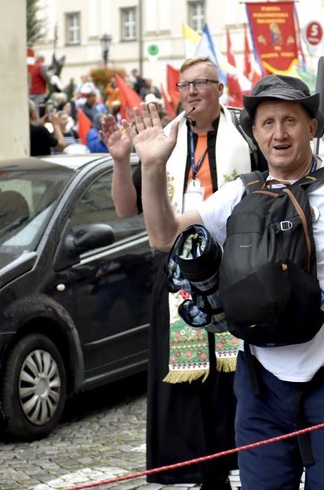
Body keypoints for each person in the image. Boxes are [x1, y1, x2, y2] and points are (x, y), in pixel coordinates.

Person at [124, 74, 324, 490]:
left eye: (290, 121)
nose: (279, 133)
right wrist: (151, 166)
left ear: (312, 128)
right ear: (254, 132)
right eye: (268, 122)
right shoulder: (240, 193)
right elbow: (165, 237)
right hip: (261, 385)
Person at [101, 56, 257, 489]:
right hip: (176, 276)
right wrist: (120, 160)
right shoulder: (161, 140)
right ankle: (206, 474)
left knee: (233, 376)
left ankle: (239, 463)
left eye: (200, 84)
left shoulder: (246, 132)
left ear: (220, 89)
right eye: (183, 85)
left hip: (234, 269)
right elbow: (126, 208)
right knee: (189, 385)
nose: (190, 92)